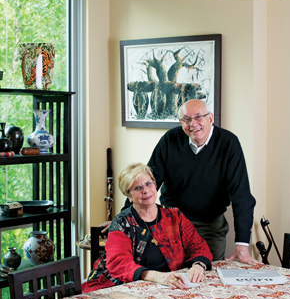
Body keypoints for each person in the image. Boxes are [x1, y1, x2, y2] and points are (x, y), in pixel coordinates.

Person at [100, 99, 258, 265]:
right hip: (169, 223)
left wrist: (242, 244)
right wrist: (125, 218)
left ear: (210, 118)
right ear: (180, 122)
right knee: (167, 275)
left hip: (209, 226)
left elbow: (242, 195)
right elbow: (146, 182)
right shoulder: (170, 140)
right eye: (186, 119)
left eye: (198, 117)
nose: (193, 124)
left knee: (207, 275)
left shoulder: (229, 143)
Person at [82, 163, 212, 293]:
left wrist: (198, 266)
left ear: (155, 185)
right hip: (129, 287)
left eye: (148, 184)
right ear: (129, 196)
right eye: (137, 188)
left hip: (171, 286)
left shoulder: (175, 216)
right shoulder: (122, 223)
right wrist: (157, 276)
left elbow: (198, 246)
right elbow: (120, 264)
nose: (145, 190)